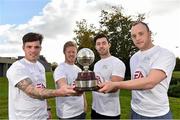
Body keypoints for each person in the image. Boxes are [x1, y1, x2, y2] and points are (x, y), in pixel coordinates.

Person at [98, 21, 176, 119]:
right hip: (135, 111)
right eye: (133, 36)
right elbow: (135, 82)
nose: (137, 38)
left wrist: (115, 84)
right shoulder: (134, 58)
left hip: (157, 114)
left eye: (141, 34)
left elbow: (150, 82)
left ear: (149, 33)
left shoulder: (165, 54)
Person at [6, 32, 77, 120]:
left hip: (43, 116)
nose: (33, 50)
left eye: (36, 47)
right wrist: (60, 92)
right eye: (29, 47)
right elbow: (32, 91)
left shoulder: (40, 66)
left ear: (40, 48)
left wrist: (47, 109)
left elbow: (42, 88)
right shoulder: (17, 68)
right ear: (23, 48)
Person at [91, 33, 126, 119]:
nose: (101, 46)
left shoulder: (117, 63)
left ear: (109, 45)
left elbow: (114, 88)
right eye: (98, 44)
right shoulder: (96, 64)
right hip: (95, 109)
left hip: (110, 113)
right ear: (96, 47)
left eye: (104, 43)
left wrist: (90, 87)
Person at [53, 41, 87, 119]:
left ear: (76, 53)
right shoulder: (60, 69)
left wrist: (85, 105)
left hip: (81, 112)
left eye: (73, 52)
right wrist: (77, 92)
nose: (71, 54)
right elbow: (64, 87)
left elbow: (83, 90)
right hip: (67, 114)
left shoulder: (78, 69)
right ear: (64, 52)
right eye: (69, 52)